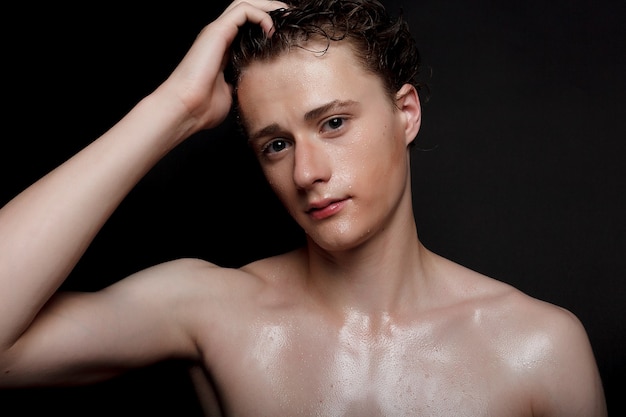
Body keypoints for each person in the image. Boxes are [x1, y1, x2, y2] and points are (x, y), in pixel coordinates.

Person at [0, 0, 607, 415]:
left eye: (334, 123)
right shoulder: (212, 309)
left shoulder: (541, 347)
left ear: (406, 114)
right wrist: (174, 108)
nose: (306, 172)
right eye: (276, 144)